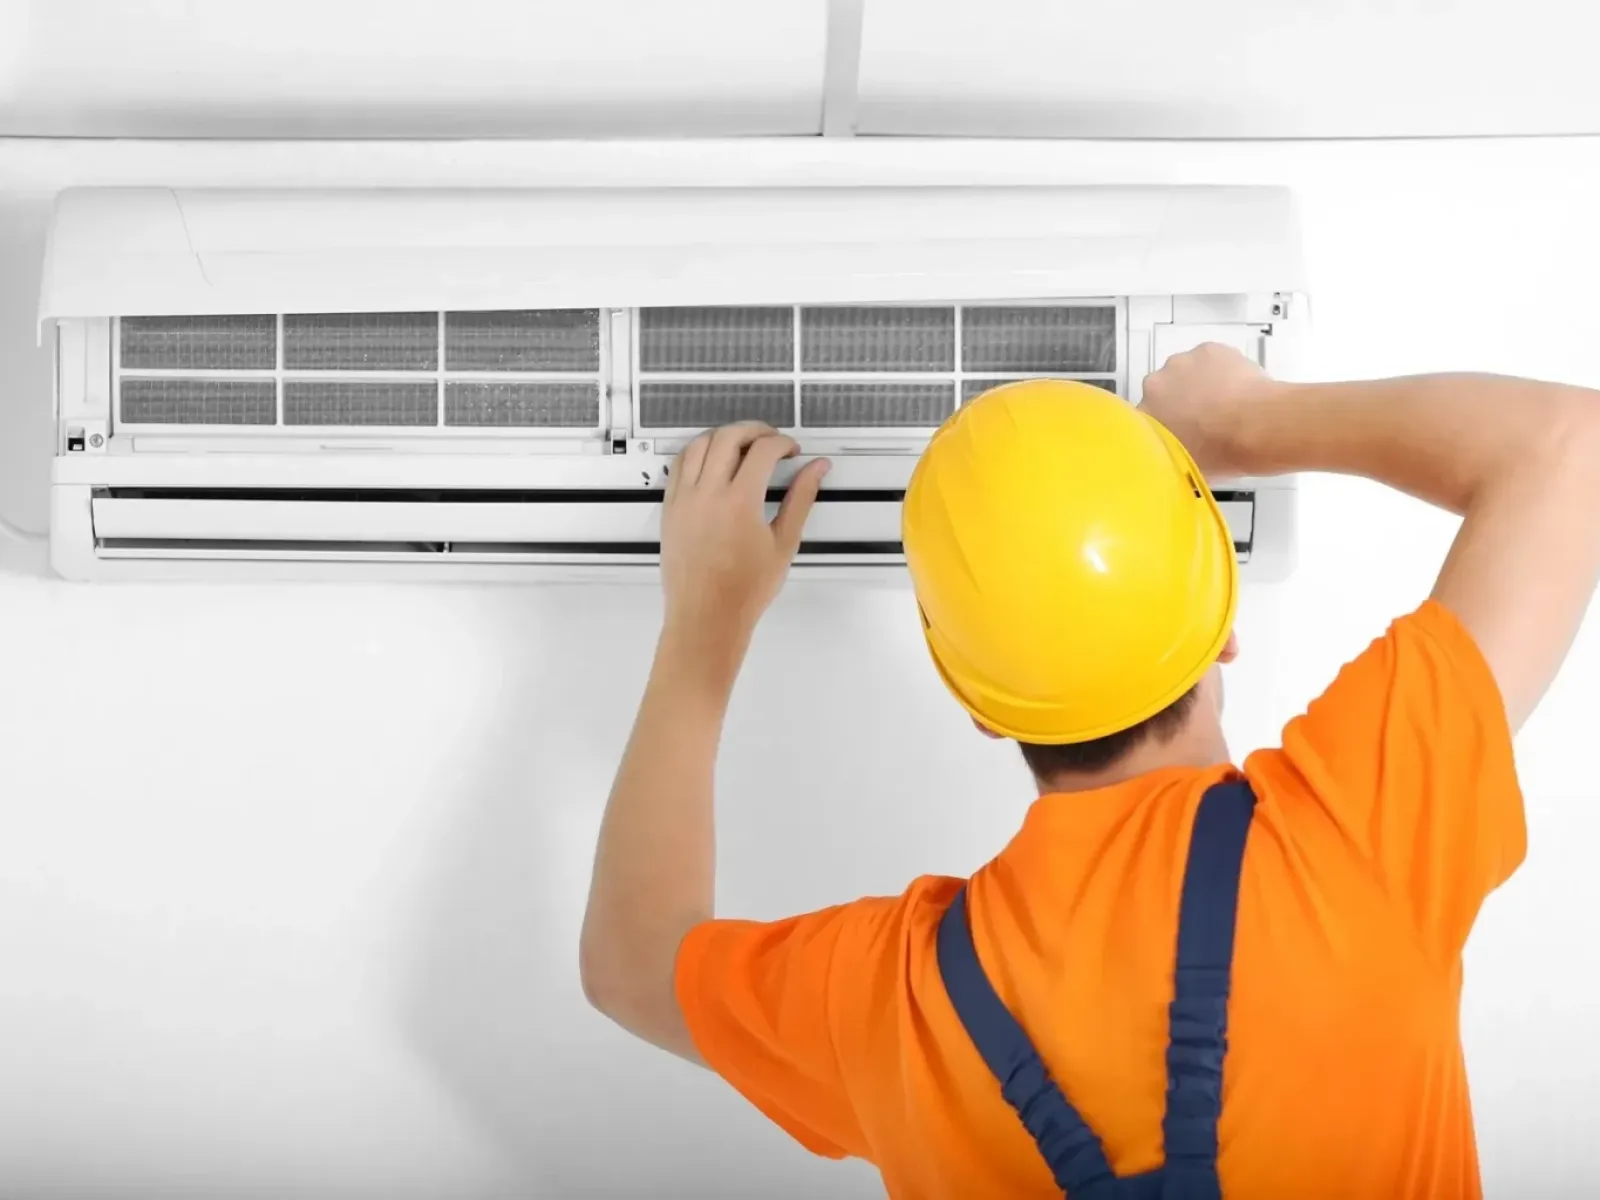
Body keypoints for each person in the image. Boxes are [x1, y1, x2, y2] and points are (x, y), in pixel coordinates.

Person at [579, 343, 1600, 1198]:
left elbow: (630, 966)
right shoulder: (1355, 834)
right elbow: (1570, 448)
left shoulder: (891, 1002)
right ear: (1223, 629)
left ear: (976, 705)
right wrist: (1246, 420)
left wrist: (704, 626)